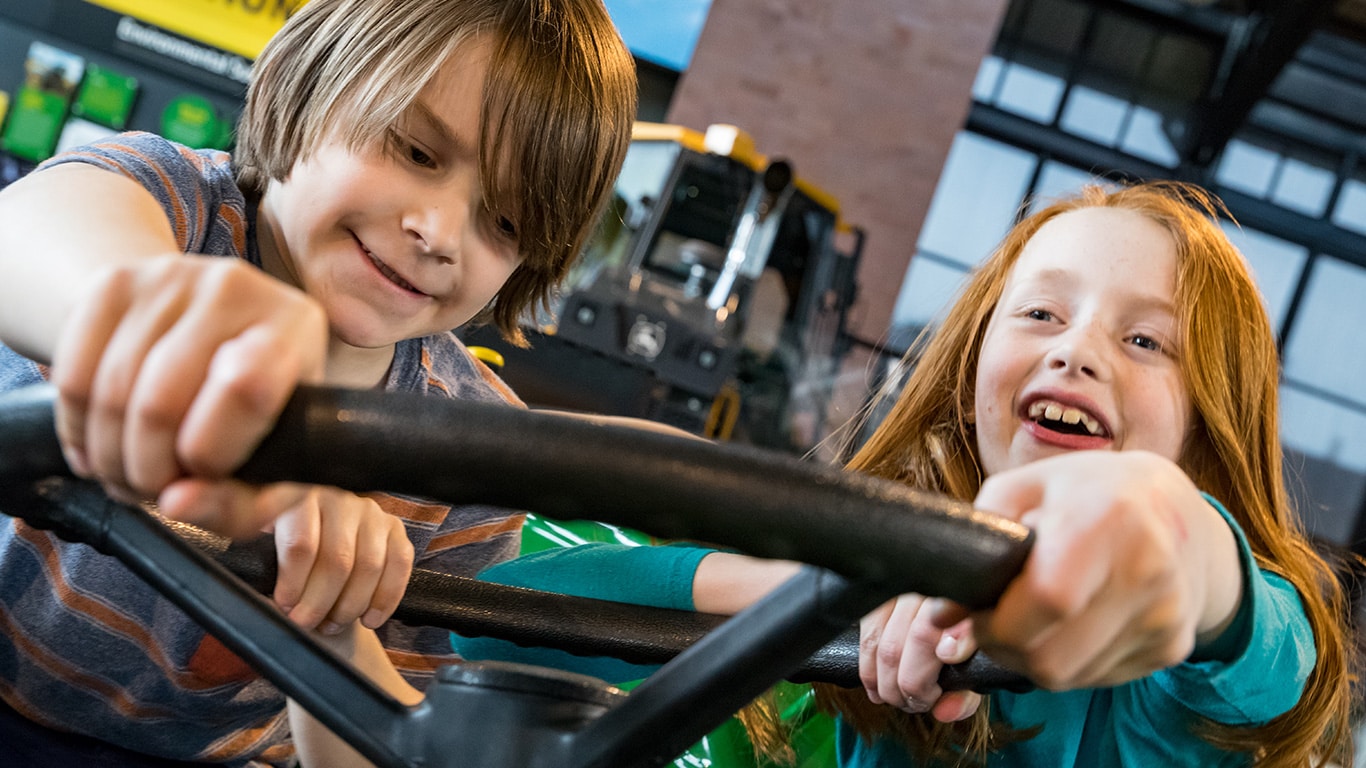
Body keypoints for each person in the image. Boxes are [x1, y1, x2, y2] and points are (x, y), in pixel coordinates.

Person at [351, 180, 1350, 768]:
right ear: (967, 385)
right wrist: (826, 595)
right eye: (1040, 315)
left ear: (1207, 434)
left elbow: (1264, 648)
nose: (1077, 353)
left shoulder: (1165, 688)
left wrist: (1176, 534)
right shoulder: (857, 617)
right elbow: (492, 605)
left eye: (1145, 341)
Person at [0, 0, 636, 765]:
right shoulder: (169, 202)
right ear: (313, 87)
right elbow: (32, 238)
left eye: (503, 222)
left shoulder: (476, 453)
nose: (438, 233)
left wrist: (337, 618)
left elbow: (395, 744)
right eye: (416, 152)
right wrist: (194, 349)